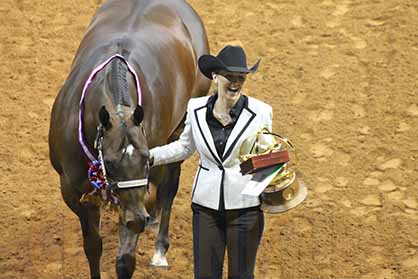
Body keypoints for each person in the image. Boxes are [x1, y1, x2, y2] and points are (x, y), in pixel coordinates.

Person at [150, 45, 273, 279]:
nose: (235, 83)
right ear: (215, 76)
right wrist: (150, 156)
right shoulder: (195, 109)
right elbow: (184, 147)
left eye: (241, 77)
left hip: (246, 210)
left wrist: (255, 189)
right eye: (230, 76)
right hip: (205, 208)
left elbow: (267, 158)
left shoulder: (261, 112)